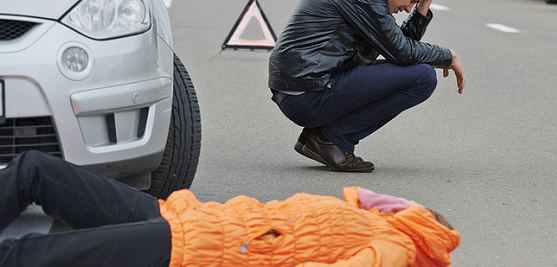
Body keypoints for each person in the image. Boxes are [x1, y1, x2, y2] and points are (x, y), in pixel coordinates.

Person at [0, 151, 460, 267]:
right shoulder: (369, 218)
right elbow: (358, 198)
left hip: (192, 251)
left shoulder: (395, 246)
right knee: (34, 169)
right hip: (180, 216)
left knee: (28, 257)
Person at [268, 0, 466, 172]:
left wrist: (425, 3)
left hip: (307, 87)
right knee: (423, 77)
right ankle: (330, 139)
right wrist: (448, 55)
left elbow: (400, 52)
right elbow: (402, 52)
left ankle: (325, 138)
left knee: (419, 73)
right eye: (413, 0)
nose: (408, 8)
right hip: (305, 94)